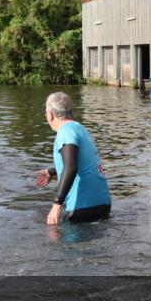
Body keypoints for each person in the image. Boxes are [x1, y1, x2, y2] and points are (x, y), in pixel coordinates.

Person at [34, 92, 111, 225]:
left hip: (82, 206)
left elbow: (71, 167)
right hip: (103, 204)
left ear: (50, 114)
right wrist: (51, 172)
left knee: (57, 239)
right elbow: (83, 163)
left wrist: (56, 205)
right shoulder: (81, 129)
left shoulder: (65, 132)